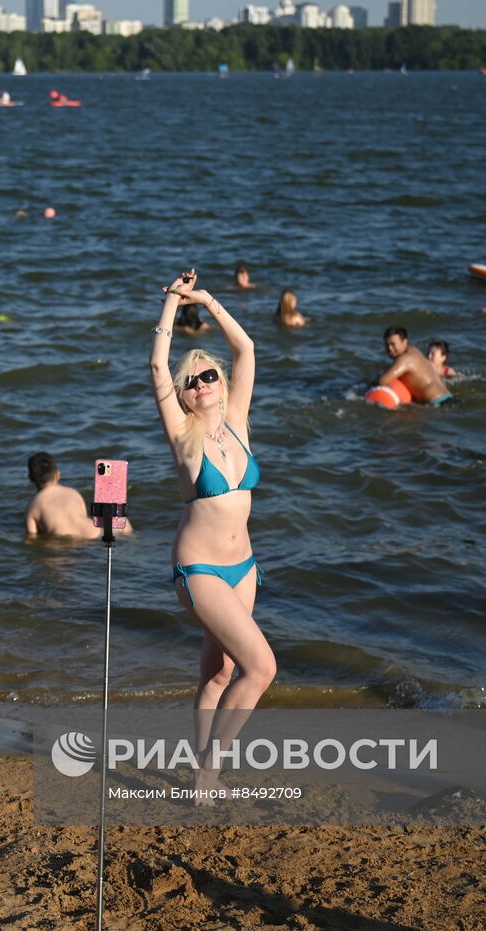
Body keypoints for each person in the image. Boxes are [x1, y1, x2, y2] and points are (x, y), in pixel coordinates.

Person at [150, 269, 275, 799]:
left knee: (220, 673)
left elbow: (245, 349)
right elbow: (157, 363)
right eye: (192, 381)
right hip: (199, 571)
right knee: (262, 667)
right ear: (183, 395)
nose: (202, 384)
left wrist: (208, 300)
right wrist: (174, 307)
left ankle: (199, 764)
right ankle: (210, 770)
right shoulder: (183, 435)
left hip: (243, 568)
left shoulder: (238, 422)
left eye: (209, 377)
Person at [24, 452, 129, 539]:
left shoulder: (32, 507)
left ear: (30, 478)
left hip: (67, 544)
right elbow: (83, 515)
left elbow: (32, 537)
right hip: (94, 534)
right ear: (57, 474)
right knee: (122, 522)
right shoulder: (72, 493)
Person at [376, 327, 452, 406]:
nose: (389, 348)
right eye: (386, 345)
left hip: (438, 403)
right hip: (446, 397)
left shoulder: (405, 359)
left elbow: (382, 381)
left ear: (404, 342)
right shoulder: (414, 350)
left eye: (393, 344)